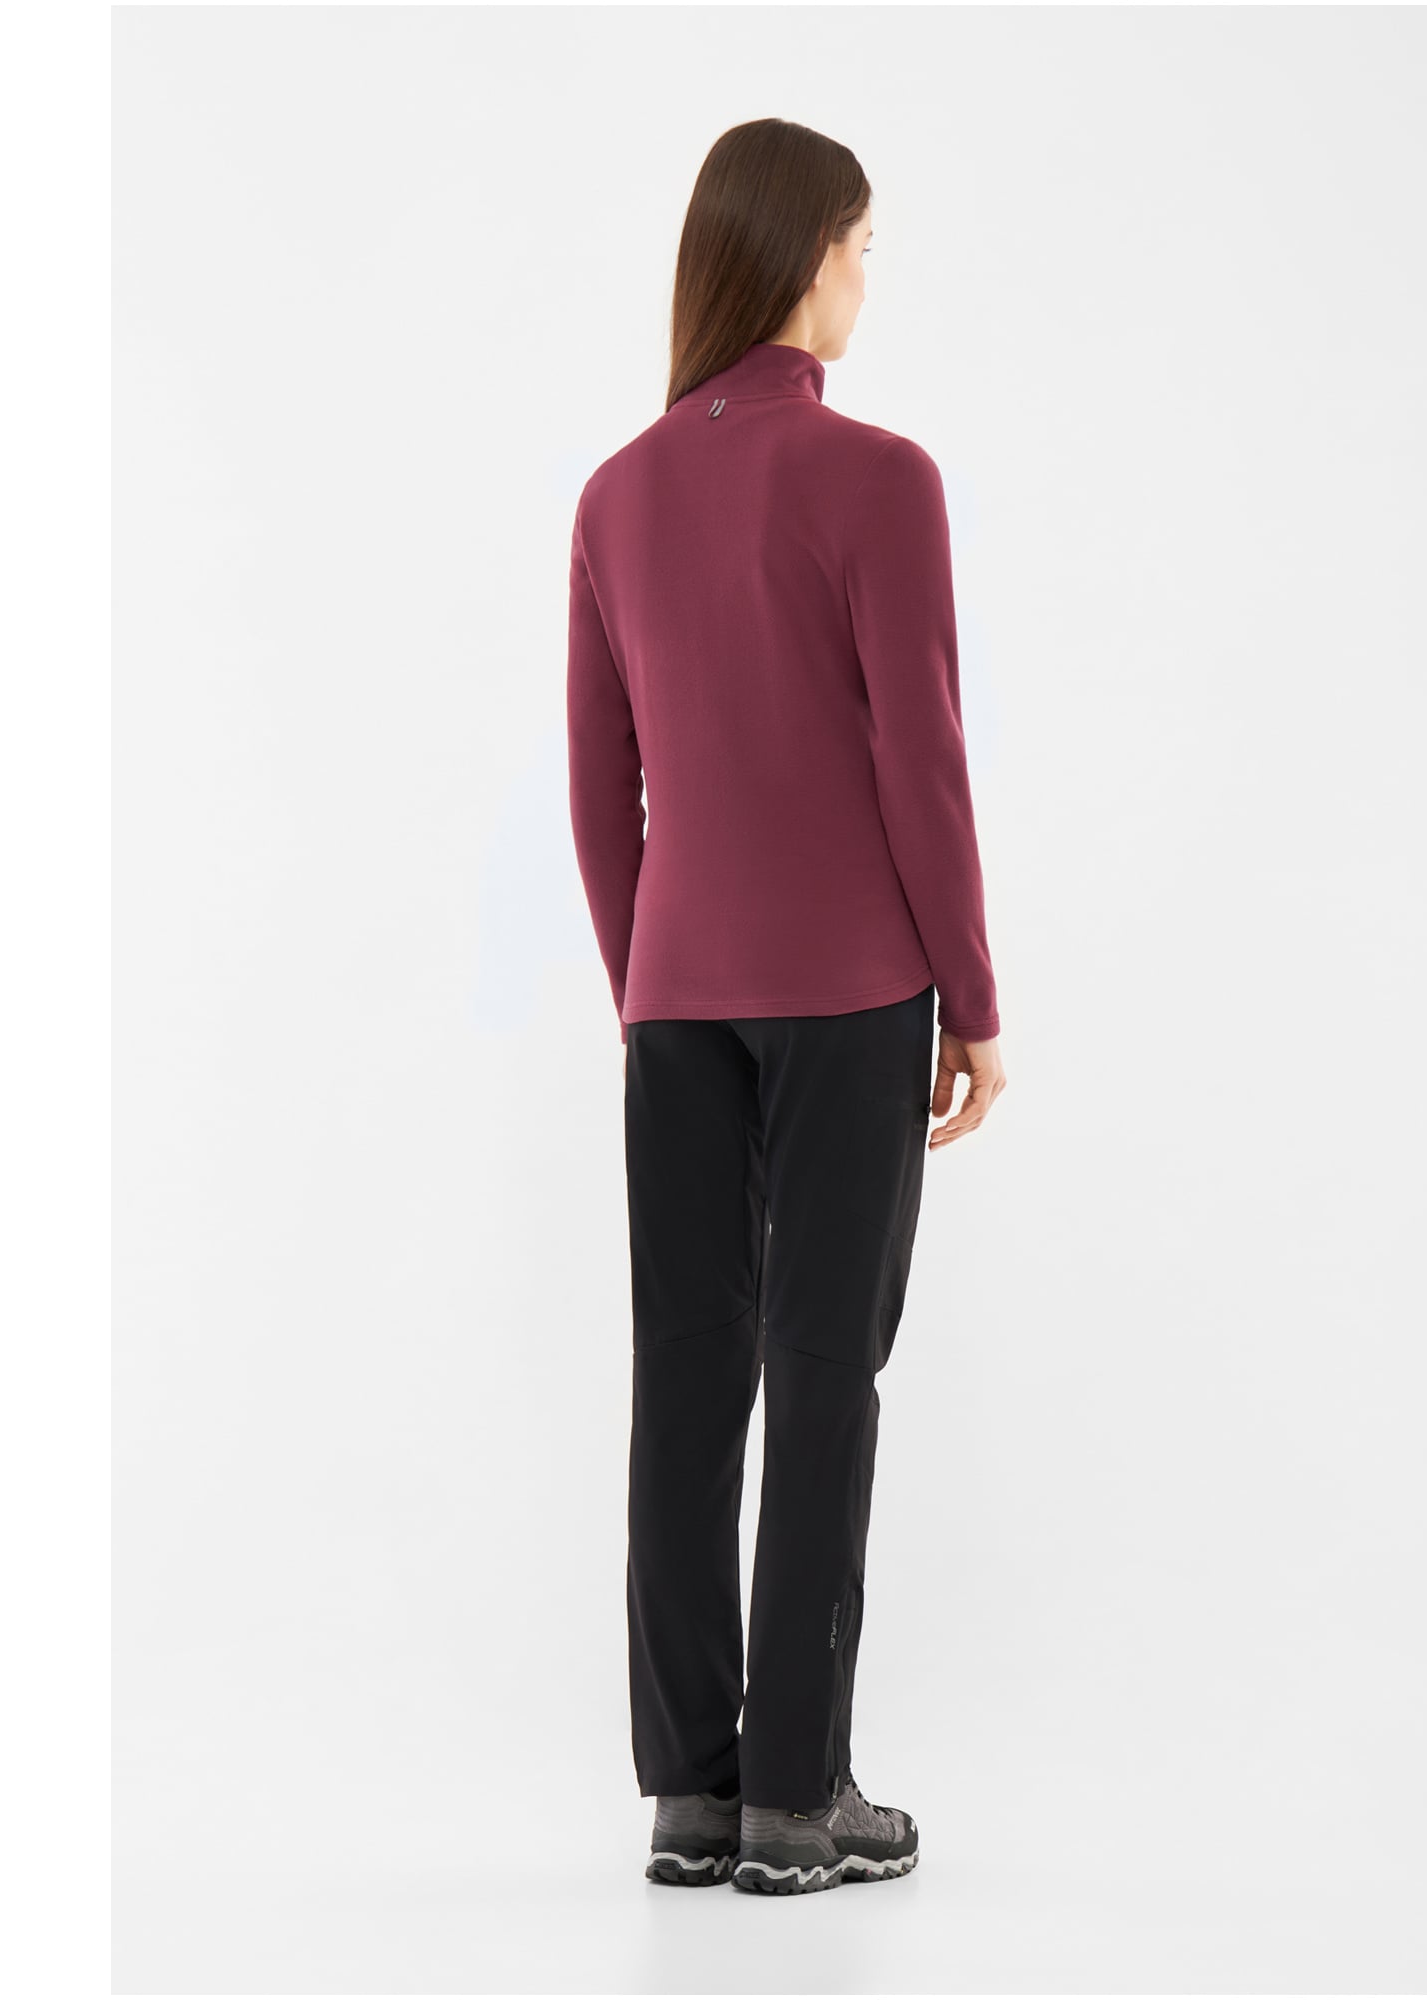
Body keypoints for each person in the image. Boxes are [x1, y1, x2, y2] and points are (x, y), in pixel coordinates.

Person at [566, 116, 1007, 1896]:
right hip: (849, 992)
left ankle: (692, 1787)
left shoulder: (616, 493)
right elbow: (924, 764)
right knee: (823, 1371)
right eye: (863, 246)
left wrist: (645, 984)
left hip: (676, 1001)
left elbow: (600, 789)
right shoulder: (880, 477)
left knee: (686, 1374)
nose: (867, 279)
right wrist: (971, 996)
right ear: (807, 254)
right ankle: (798, 1800)